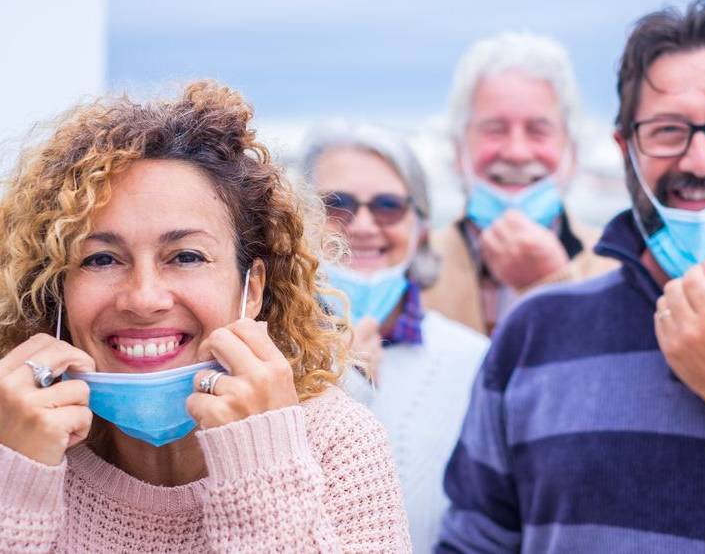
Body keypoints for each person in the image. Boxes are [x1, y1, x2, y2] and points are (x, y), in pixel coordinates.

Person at [438, 0, 705, 553]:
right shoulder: (534, 331)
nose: (700, 160)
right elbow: (473, 542)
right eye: (666, 131)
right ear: (626, 149)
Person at [0, 81, 411, 553]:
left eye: (187, 256)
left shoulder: (337, 445)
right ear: (56, 290)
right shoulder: (15, 437)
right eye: (101, 260)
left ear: (251, 289)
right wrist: (17, 479)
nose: (144, 297)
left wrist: (262, 468)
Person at [299, 122, 489, 553]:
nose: (363, 225)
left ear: (420, 227)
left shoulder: (477, 361)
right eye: (337, 205)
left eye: (388, 206)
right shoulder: (262, 358)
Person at [422, 31, 616, 335]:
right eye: (494, 129)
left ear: (573, 152)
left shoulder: (619, 265)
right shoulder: (413, 268)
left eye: (538, 130)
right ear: (458, 150)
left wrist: (549, 283)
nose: (516, 152)